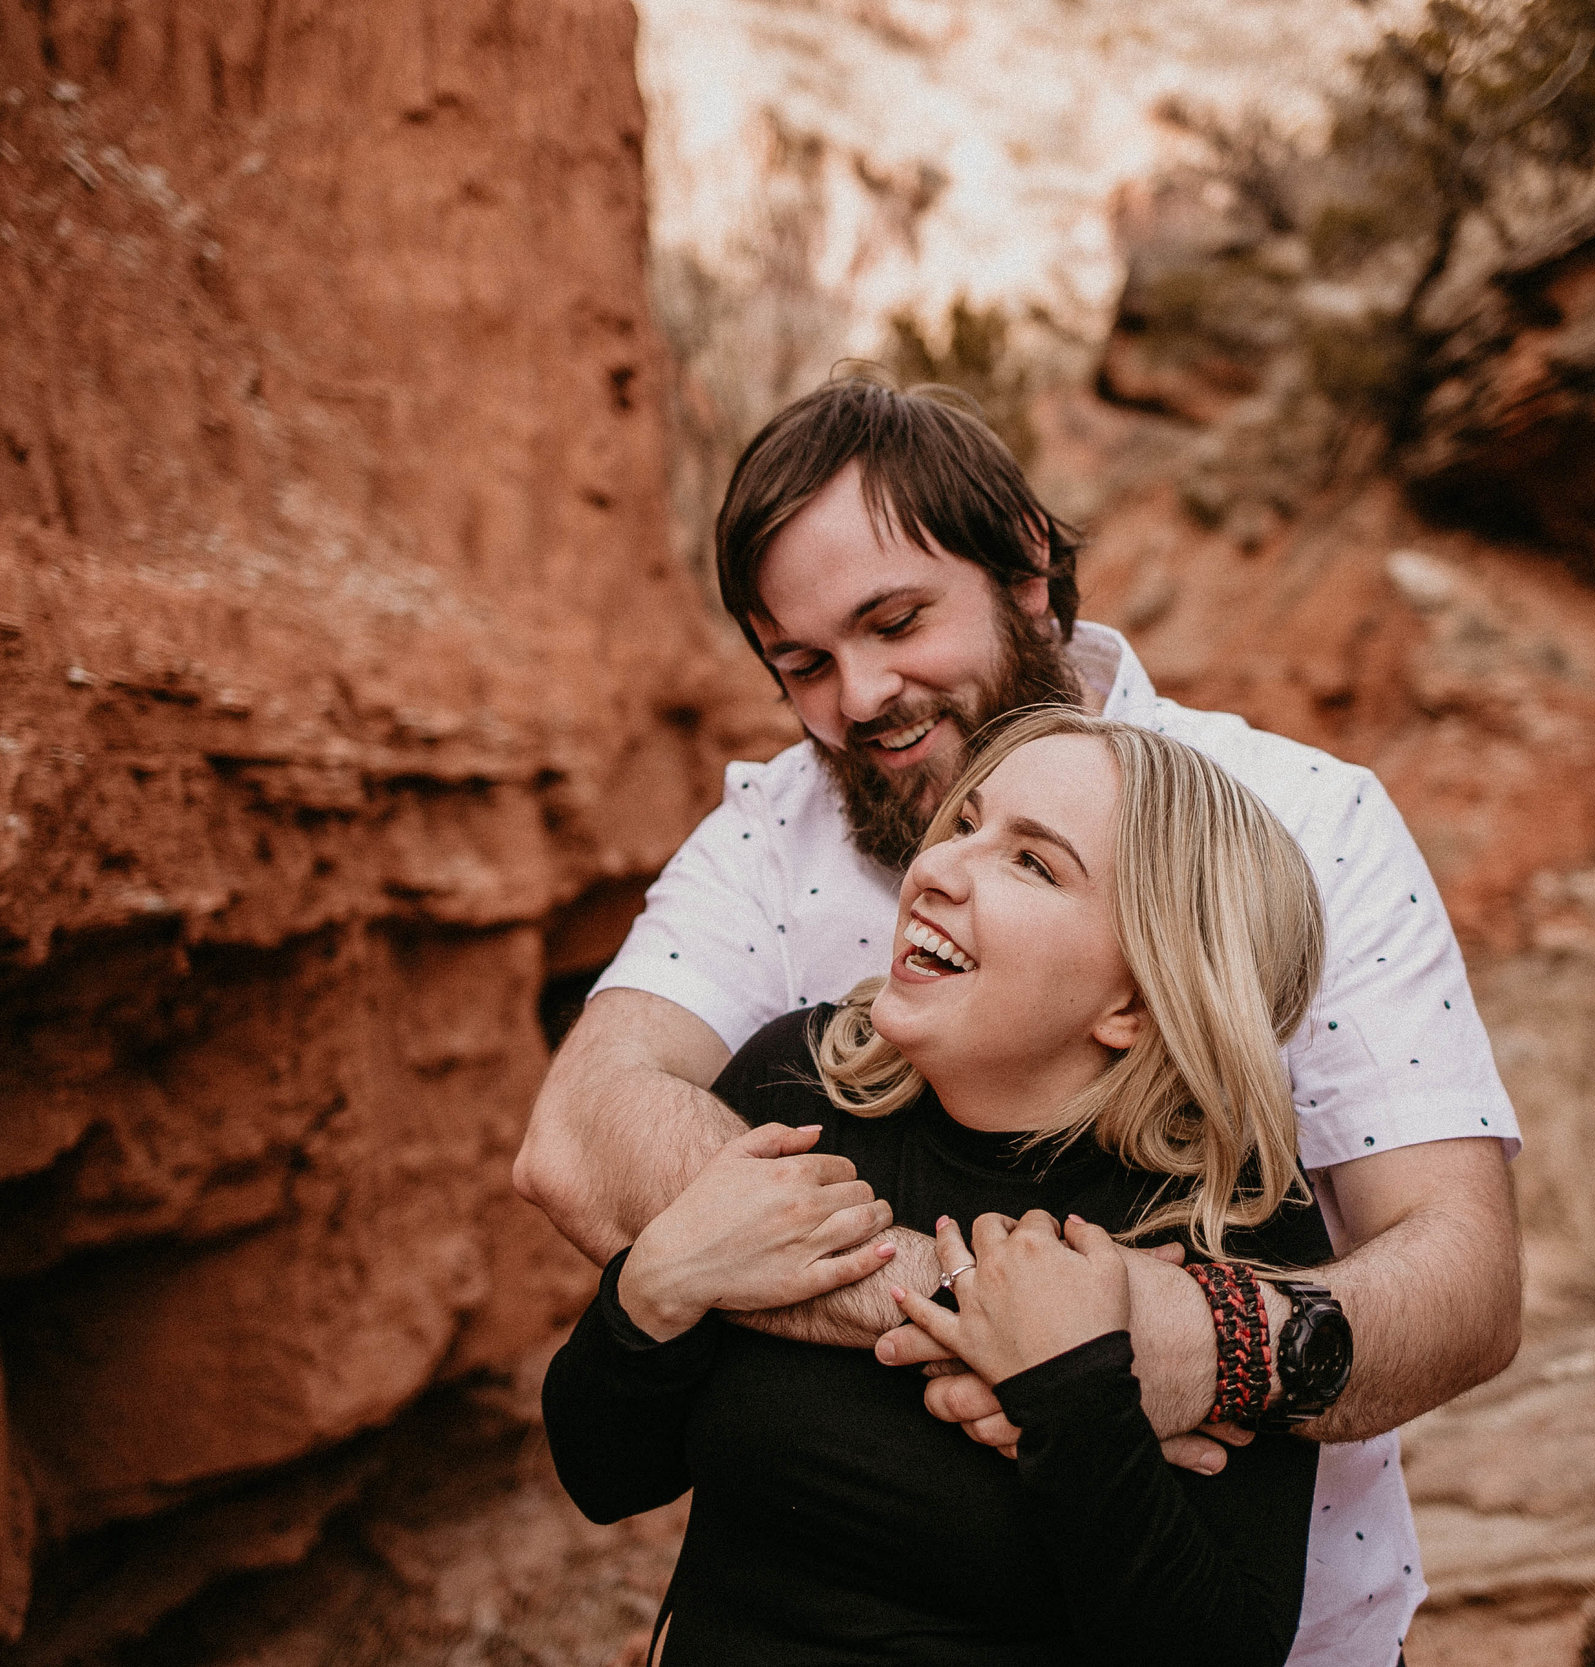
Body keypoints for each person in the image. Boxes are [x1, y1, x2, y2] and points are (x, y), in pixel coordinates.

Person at [514, 375, 1523, 1665]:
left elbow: (1464, 1277)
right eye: (803, 661)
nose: (860, 696)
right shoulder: (772, 843)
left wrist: (1172, 1347)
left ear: (1029, 571)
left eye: (895, 619)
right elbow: (582, 1131)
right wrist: (983, 1302)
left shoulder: (1305, 821)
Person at [544, 710, 1341, 1665]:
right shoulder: (801, 1084)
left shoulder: (1231, 1222)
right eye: (965, 824)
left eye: (1033, 863)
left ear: (1134, 1001)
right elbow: (605, 1474)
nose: (939, 868)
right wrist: (656, 1284)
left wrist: (1075, 1402)